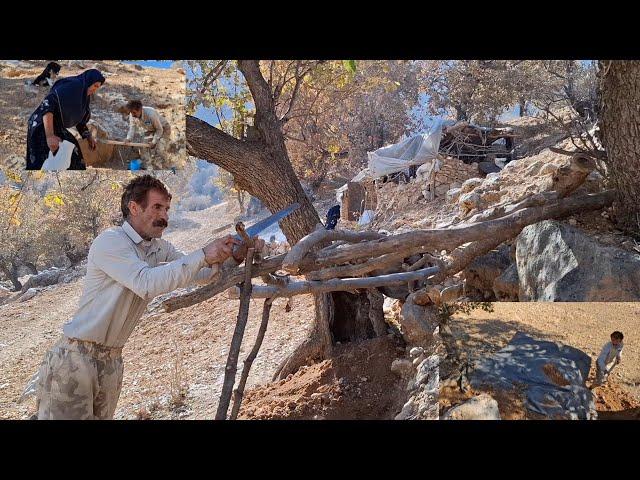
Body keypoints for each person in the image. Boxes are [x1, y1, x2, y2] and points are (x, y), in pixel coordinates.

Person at [33, 175, 264, 419]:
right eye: (157, 207)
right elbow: (146, 283)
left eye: (166, 209)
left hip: (112, 359)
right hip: (76, 358)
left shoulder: (157, 248)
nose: (164, 217)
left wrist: (234, 257)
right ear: (134, 207)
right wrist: (205, 253)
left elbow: (202, 273)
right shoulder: (110, 242)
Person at [26, 69, 105, 170]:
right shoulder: (74, 86)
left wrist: (88, 137)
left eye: (98, 87)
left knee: (74, 156)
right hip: (42, 124)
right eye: (95, 86)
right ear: (89, 81)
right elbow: (48, 104)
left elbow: (80, 121)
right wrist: (50, 136)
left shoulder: (83, 96)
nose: (95, 89)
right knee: (42, 164)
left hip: (57, 125)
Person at [125, 99, 172, 169]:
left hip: (164, 128)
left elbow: (159, 129)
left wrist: (154, 141)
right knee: (143, 146)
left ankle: (165, 165)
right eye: (131, 112)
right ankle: (146, 165)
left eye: (134, 112)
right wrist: (128, 138)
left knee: (160, 148)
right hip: (151, 129)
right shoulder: (132, 115)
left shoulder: (151, 114)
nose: (132, 115)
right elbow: (132, 128)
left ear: (140, 109)